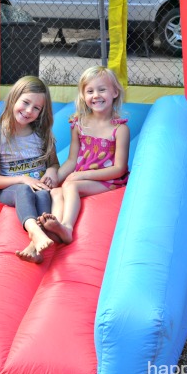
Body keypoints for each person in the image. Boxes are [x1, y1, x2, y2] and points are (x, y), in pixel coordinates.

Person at [40, 66, 129, 245]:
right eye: (90, 91)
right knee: (57, 191)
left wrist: (81, 175)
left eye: (101, 89)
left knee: (71, 186)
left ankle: (67, 227)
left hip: (108, 182)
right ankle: (53, 228)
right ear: (83, 96)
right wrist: (55, 179)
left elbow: (119, 169)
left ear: (115, 92)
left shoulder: (120, 130)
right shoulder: (79, 124)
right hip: (80, 179)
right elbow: (72, 160)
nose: (95, 95)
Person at [0, 76, 59, 264]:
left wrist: (51, 171)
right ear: (14, 98)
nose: (29, 110)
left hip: (38, 188)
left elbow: (55, 164)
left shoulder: (42, 135)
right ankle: (34, 231)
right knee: (25, 190)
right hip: (12, 190)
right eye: (26, 102)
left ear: (41, 112)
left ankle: (34, 248)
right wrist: (23, 179)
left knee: (43, 195)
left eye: (36, 108)